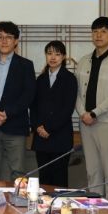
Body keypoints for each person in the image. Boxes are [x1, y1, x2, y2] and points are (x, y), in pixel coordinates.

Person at [75, 16, 108, 204]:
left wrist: (94, 113)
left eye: (103, 31)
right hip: (86, 123)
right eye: (95, 31)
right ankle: (94, 208)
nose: (98, 35)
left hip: (107, 123)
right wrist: (83, 113)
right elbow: (76, 93)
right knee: (92, 171)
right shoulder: (83, 61)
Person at [0, 21, 35, 181]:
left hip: (15, 125)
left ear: (16, 40)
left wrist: (7, 113)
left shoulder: (26, 65)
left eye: (9, 37)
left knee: (18, 173)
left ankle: (17, 199)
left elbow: (28, 95)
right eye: (0, 37)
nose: (4, 41)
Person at [30, 41, 78, 187]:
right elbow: (33, 106)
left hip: (60, 137)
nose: (53, 57)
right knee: (44, 179)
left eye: (57, 54)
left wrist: (48, 128)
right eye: (49, 53)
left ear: (63, 57)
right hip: (41, 138)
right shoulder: (41, 79)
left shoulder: (70, 79)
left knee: (59, 180)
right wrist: (37, 126)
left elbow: (67, 109)